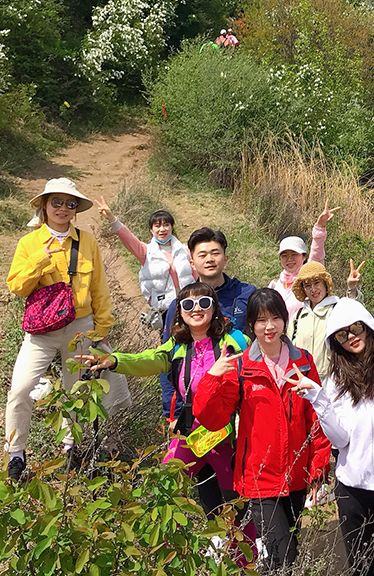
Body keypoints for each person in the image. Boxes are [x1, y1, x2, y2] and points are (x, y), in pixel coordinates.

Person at [75, 282, 248, 529]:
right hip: (190, 433)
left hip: (227, 435)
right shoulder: (177, 348)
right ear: (180, 313)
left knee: (237, 503)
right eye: (188, 304)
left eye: (204, 303)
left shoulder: (234, 344)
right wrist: (113, 360)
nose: (196, 309)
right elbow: (148, 360)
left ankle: (247, 559)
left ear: (214, 309)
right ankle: (171, 551)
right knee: (163, 490)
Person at [194, 288, 331, 573]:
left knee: (287, 547)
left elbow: (316, 420)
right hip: (259, 479)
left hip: (296, 476)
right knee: (283, 554)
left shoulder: (302, 362)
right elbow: (212, 418)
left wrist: (317, 470)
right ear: (251, 325)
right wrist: (212, 378)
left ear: (284, 320)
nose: (269, 327)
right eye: (260, 320)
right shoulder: (242, 366)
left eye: (275, 318)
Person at [3, 178, 132, 481]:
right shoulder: (29, 243)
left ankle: (69, 446)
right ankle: (16, 453)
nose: (62, 208)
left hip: (81, 328)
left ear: (75, 209)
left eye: (69, 203)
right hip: (42, 331)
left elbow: (100, 287)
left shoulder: (86, 241)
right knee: (21, 390)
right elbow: (17, 287)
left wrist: (101, 328)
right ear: (44, 206)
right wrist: (39, 260)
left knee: (75, 391)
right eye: (56, 202)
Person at [293, 297, 374, 576]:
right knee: (363, 566)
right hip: (354, 486)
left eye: (356, 328)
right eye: (341, 334)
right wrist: (318, 399)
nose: (351, 337)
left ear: (369, 326)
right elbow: (340, 440)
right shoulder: (337, 381)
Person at [158, 227, 255, 416]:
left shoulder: (247, 294)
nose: (209, 259)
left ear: (225, 258)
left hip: (241, 400)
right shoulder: (181, 305)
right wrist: (174, 412)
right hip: (192, 404)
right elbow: (167, 359)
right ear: (192, 262)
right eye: (202, 255)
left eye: (215, 253)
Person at [96, 202, 193, 323]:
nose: (162, 229)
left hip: (188, 305)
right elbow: (127, 237)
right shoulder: (146, 252)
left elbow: (195, 274)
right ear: (151, 230)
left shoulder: (185, 250)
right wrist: (112, 218)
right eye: (157, 226)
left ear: (172, 228)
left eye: (166, 225)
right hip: (164, 309)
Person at [288, 259, 363, 379]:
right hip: (302, 381)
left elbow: (355, 314)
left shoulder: (336, 309)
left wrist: (351, 288)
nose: (313, 289)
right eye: (307, 285)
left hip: (332, 381)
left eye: (317, 283)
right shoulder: (298, 317)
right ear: (303, 289)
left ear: (325, 284)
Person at [270, 201, 339, 319]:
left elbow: (317, 254)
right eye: (284, 255)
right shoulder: (274, 285)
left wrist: (320, 228)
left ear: (304, 257)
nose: (289, 259)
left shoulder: (307, 279)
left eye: (294, 254)